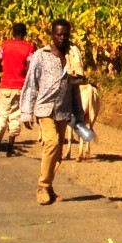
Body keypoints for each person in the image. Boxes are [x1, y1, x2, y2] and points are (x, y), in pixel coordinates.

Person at [19, 18, 82, 205]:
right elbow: (30, 84)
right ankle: (42, 186)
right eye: (58, 34)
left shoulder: (73, 56)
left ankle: (49, 188)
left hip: (63, 110)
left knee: (58, 153)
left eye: (65, 34)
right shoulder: (41, 55)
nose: (62, 38)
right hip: (45, 108)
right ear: (52, 35)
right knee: (52, 143)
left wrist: (79, 115)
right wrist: (26, 112)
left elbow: (75, 88)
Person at [0, 21, 36, 156]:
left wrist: (4, 68)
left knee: (2, 113)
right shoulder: (29, 48)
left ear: (13, 33)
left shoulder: (5, 46)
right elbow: (30, 67)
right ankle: (10, 147)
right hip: (20, 86)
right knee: (15, 115)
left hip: (5, 84)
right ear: (25, 34)